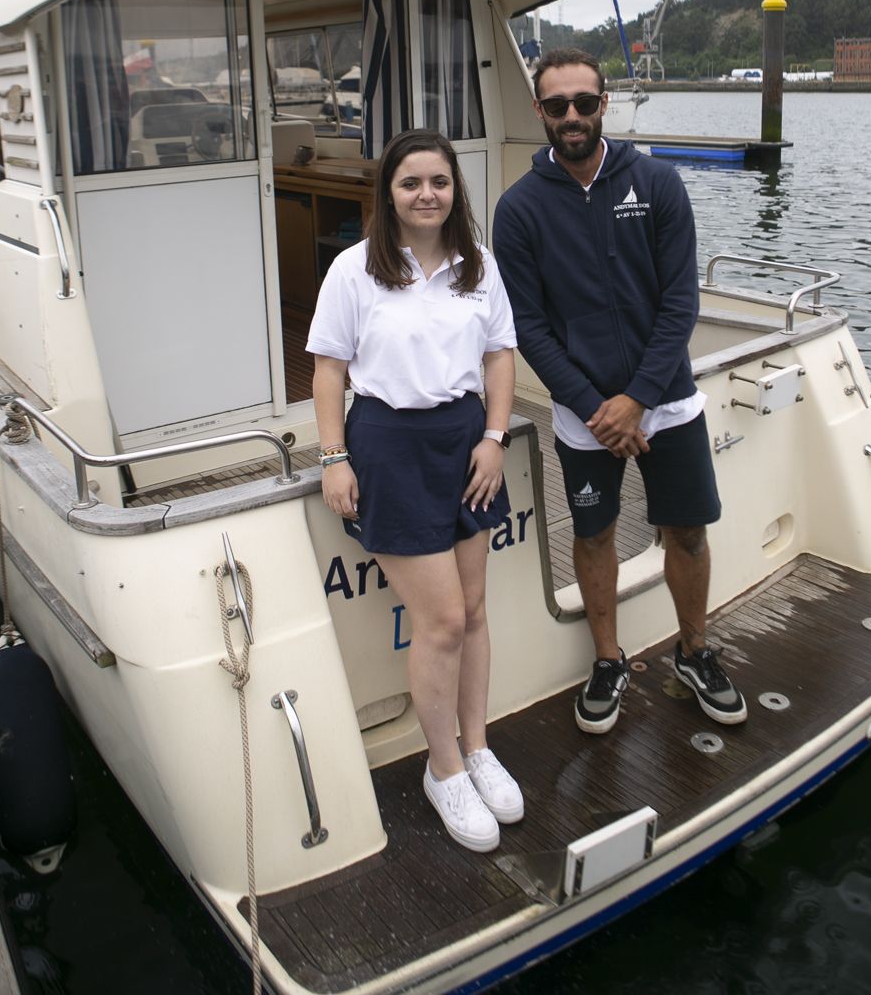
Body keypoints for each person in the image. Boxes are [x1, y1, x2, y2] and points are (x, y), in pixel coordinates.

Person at [492, 48, 747, 735]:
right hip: (583, 416)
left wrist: (634, 398)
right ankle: (608, 659)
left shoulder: (657, 182)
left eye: (582, 102)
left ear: (604, 104)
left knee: (686, 531)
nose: (570, 116)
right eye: (555, 105)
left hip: (665, 398)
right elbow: (528, 325)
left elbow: (677, 302)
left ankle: (694, 651)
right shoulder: (517, 210)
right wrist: (593, 407)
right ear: (541, 112)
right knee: (593, 531)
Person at [307, 129, 524, 851]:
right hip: (389, 445)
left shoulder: (477, 265)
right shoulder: (353, 271)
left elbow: (498, 356)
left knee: (476, 610)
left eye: (438, 181)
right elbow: (329, 371)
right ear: (388, 193)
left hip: (464, 441)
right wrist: (335, 456)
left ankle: (476, 744)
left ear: (454, 188)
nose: (426, 194)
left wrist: (493, 438)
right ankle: (443, 769)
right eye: (410, 183)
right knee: (443, 622)